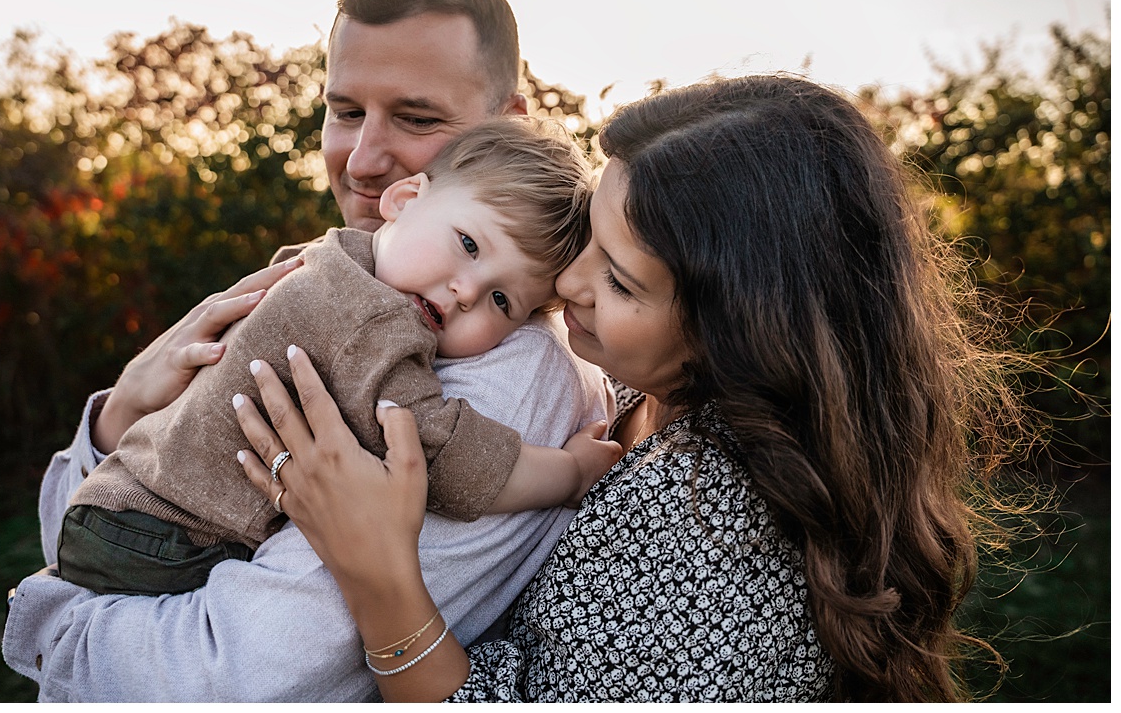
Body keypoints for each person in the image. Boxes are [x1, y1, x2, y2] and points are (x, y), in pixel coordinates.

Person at [237, 75, 1036, 702]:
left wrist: (379, 574)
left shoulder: (711, 520)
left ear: (738, 333)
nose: (570, 282)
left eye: (618, 281)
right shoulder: (633, 399)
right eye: (591, 234)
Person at [3, 0, 612, 701]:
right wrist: (124, 409)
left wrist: (52, 621)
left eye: (417, 117)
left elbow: (233, 682)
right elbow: (81, 524)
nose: (361, 160)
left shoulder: (506, 370)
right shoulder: (321, 274)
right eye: (346, 110)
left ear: (507, 127)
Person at [56, 118, 617, 597]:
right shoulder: (374, 322)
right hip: (165, 533)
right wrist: (568, 474)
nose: (467, 291)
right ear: (403, 201)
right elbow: (436, 454)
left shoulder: (324, 260)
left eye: (502, 299)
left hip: (119, 500)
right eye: (469, 244)